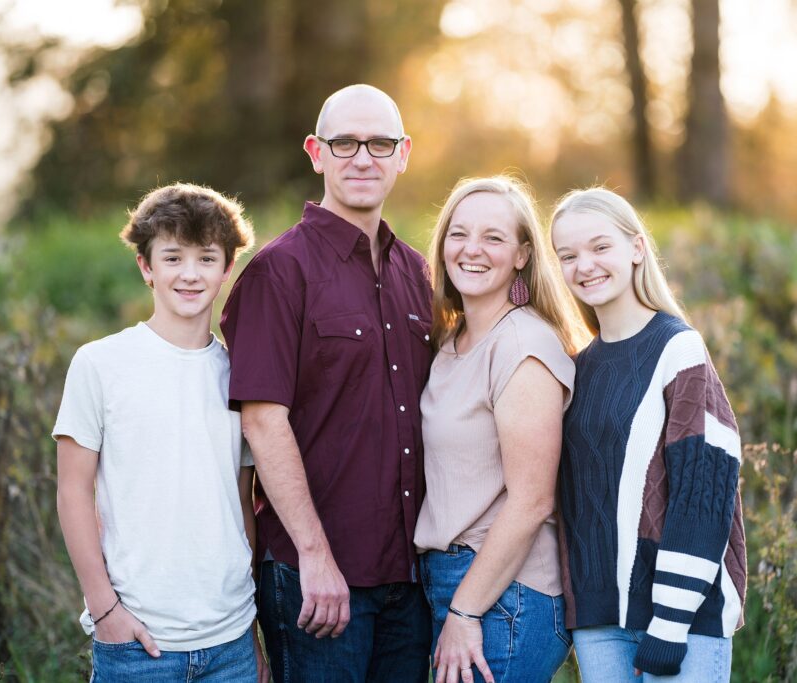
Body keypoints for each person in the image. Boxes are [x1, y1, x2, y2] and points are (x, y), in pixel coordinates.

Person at [219, 84, 433, 682]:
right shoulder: (278, 272)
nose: (363, 158)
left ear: (403, 153)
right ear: (316, 152)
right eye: (345, 143)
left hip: (410, 579)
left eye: (380, 143)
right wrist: (315, 558)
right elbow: (263, 421)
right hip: (318, 582)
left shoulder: (419, 272)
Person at [54, 183, 267, 682]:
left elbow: (241, 500)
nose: (190, 274)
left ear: (227, 270)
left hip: (231, 641)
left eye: (206, 258)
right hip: (137, 642)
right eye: (172, 258)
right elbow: (72, 491)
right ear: (146, 268)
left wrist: (252, 626)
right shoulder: (101, 364)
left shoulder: (241, 375)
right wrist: (105, 611)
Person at [549, 188, 747, 682]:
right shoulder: (578, 368)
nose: (584, 266)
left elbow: (705, 493)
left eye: (600, 247)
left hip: (683, 621)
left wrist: (671, 622)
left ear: (636, 248)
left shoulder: (678, 350)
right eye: (567, 255)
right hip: (599, 623)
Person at [414, 176, 584, 683]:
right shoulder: (452, 340)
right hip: (457, 582)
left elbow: (533, 500)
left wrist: (465, 612)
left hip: (504, 596)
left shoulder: (523, 344)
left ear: (522, 255)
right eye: (458, 234)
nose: (471, 250)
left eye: (493, 238)